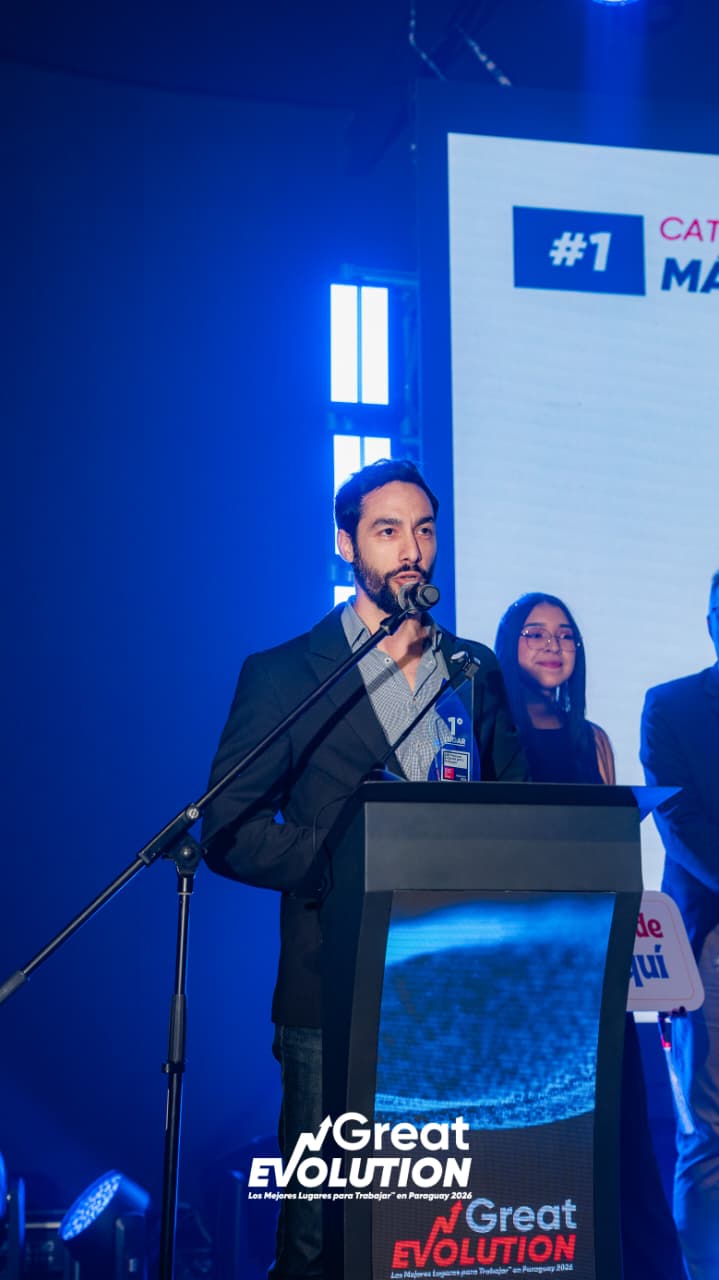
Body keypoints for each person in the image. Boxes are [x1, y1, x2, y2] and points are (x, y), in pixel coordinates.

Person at [202, 458, 527, 1279]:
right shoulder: (286, 674)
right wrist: (342, 863)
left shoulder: (474, 670)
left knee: (442, 1236)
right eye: (387, 531)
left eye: (423, 530)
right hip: (332, 988)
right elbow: (228, 828)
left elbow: (515, 811)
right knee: (320, 1241)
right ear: (347, 544)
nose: (410, 550)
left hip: (452, 990)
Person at [495, 591, 684, 1280]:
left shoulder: (594, 739)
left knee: (620, 1136)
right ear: (508, 646)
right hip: (524, 965)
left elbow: (614, 852)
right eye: (535, 634)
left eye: (565, 635)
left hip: (593, 960)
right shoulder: (493, 734)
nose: (553, 646)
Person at [640, 570, 719, 1280]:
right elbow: (681, 826)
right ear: (712, 620)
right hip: (712, 944)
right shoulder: (671, 705)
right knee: (710, 1136)